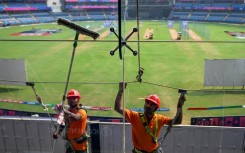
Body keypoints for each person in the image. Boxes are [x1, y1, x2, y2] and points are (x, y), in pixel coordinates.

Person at [114, 82, 186, 153]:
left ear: (156, 108)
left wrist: (179, 105)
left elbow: (177, 121)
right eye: (147, 102)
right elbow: (117, 108)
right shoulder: (135, 116)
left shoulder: (159, 119)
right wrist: (121, 90)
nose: (148, 105)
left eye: (152, 104)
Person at [53, 89, 88, 153]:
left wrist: (64, 110)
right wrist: (58, 132)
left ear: (78, 100)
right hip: (70, 144)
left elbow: (76, 118)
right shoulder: (68, 111)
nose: (71, 100)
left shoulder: (82, 111)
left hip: (80, 145)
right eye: (69, 98)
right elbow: (64, 123)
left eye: (74, 98)